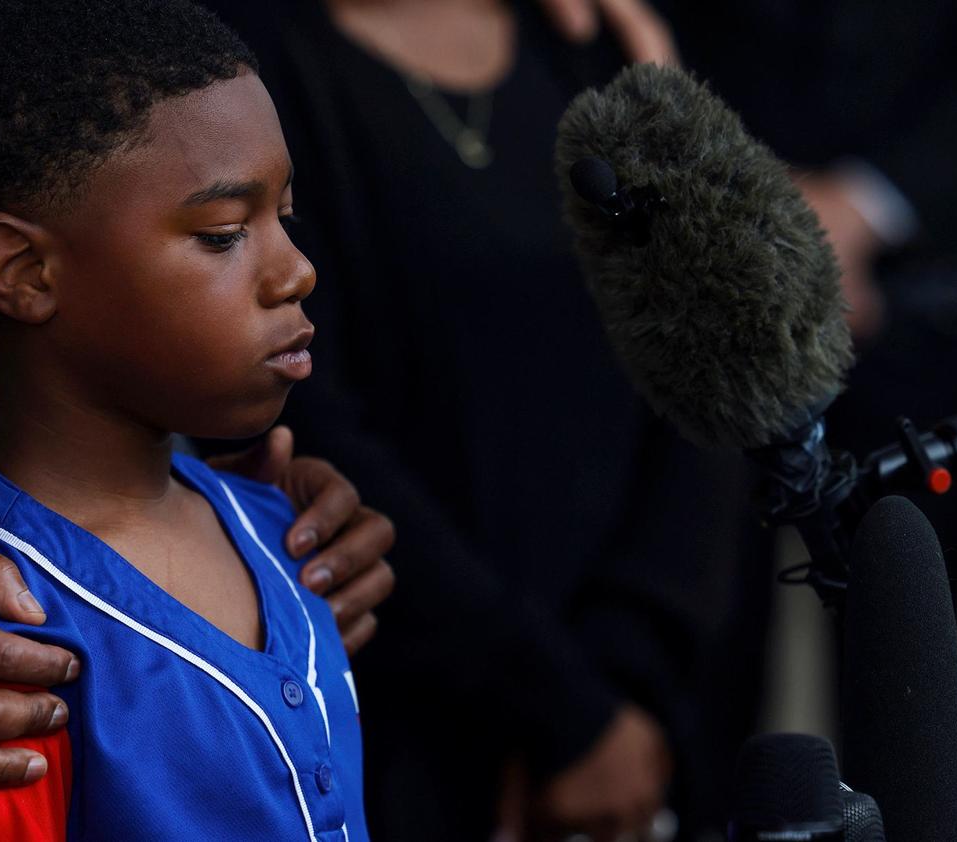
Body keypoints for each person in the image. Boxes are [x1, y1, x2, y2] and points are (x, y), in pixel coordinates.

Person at [212, 2, 764, 839]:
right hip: (405, 722)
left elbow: (704, 341)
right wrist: (557, 710)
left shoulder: (594, 40)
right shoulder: (243, 63)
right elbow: (302, 413)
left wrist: (627, 684)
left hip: (648, 718)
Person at [0, 1, 394, 838]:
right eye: (221, 234)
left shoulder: (281, 534)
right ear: (25, 271)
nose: (298, 270)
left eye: (283, 217)